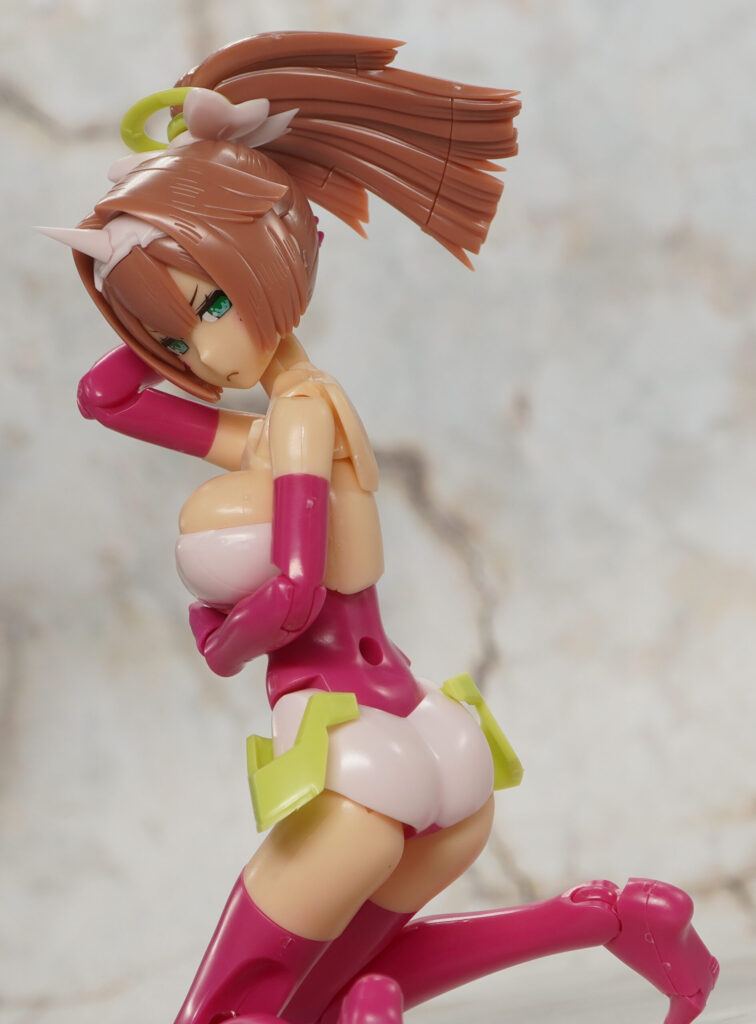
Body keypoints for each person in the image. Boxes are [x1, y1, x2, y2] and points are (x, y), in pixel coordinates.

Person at [41, 31, 718, 1024]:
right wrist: (149, 304)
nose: (203, 354)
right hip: (423, 724)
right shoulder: (294, 414)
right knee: (336, 987)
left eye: (213, 304)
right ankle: (610, 918)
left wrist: (223, 643)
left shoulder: (293, 422)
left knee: (226, 1006)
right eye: (179, 333)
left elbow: (294, 592)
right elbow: (107, 400)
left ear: (279, 261)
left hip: (343, 730)